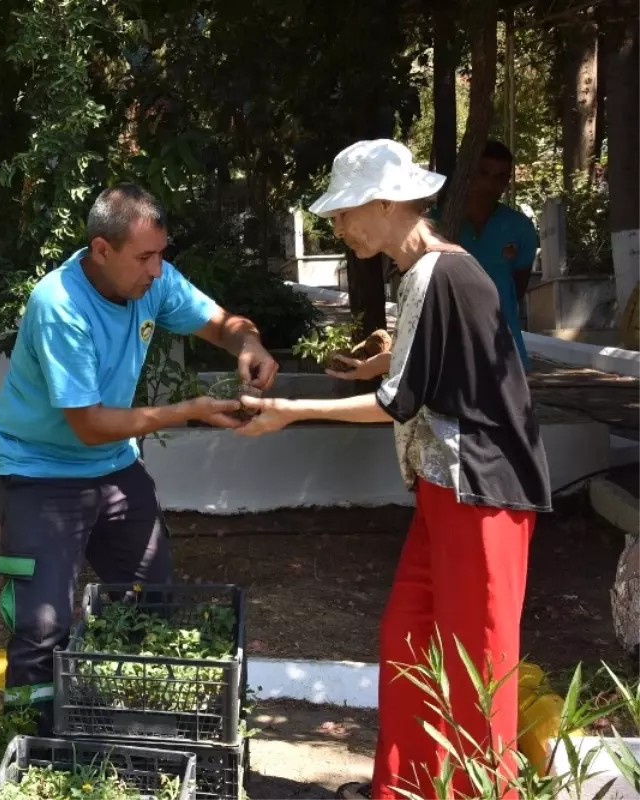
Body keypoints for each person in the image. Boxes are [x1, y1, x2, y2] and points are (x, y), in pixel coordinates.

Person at [236, 140, 551, 800]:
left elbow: (399, 402)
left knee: (477, 670)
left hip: (482, 492)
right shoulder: (425, 273)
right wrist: (382, 361)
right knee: (408, 641)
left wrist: (288, 410)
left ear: (384, 203)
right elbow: (441, 363)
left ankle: (480, 793)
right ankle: (405, 788)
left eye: (346, 211)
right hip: (445, 492)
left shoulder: (443, 271)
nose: (340, 226)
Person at [0, 182, 279, 732]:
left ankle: (130, 735)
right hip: (38, 472)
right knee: (42, 624)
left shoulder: (151, 280)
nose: (156, 270)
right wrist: (187, 410)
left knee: (153, 601)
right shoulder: (59, 305)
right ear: (102, 250)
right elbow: (89, 423)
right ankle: (30, 751)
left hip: (114, 467)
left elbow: (219, 322)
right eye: (144, 257)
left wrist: (248, 343)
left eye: (160, 254)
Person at [454, 140, 539, 371]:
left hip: (504, 352)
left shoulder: (520, 228)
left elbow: (517, 288)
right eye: (483, 173)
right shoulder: (441, 223)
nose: (490, 184)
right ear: (468, 172)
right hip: (451, 349)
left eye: (500, 177)